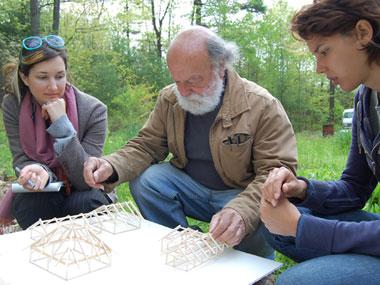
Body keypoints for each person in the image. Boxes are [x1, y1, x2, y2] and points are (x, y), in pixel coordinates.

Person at [83, 26, 297, 257]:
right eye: (178, 81)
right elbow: (147, 144)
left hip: (239, 193)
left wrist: (242, 211)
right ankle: (183, 247)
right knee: (147, 180)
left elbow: (276, 172)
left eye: (194, 81)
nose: (183, 92)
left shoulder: (262, 105)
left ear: (221, 67)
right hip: (192, 189)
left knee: (265, 205)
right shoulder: (169, 98)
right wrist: (112, 165)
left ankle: (256, 269)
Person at [260, 1, 380, 284]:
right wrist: (301, 189)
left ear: (363, 32)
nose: (318, 68)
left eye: (324, 51)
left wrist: (305, 229)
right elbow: (354, 187)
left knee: (297, 281)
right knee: (274, 227)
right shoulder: (366, 99)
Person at [2, 35, 114, 230]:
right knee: (29, 203)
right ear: (25, 77)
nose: (53, 87)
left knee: (92, 202)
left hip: (81, 192)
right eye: (43, 77)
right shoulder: (14, 106)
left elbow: (86, 179)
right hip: (43, 193)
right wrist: (41, 172)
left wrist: (62, 125)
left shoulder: (95, 110)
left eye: (60, 76)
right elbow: (21, 161)